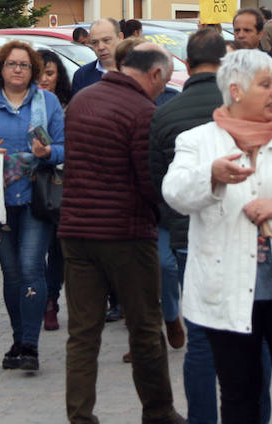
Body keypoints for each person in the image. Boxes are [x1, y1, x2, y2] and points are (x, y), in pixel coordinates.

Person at [163, 49, 272, 424]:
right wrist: (211, 176)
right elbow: (174, 193)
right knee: (240, 395)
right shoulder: (198, 141)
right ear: (236, 91)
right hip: (226, 292)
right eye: (267, 84)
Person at [59, 43, 185, 424]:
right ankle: (159, 411)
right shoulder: (143, 111)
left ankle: (80, 417)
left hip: (76, 232)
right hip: (126, 235)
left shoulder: (81, 100)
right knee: (145, 327)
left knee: (82, 333)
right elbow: (149, 181)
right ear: (156, 75)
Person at [0, 41, 66, 370]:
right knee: (11, 274)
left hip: (35, 199)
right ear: (0, 69)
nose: (17, 69)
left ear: (33, 71)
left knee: (32, 268)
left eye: (24, 65)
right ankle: (18, 339)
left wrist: (49, 153)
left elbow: (65, 147)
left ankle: (31, 347)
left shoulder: (46, 103)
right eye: (11, 64)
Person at [149, 28, 226, 423]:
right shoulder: (244, 104)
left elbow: (158, 183)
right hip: (240, 239)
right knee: (248, 338)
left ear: (186, 64)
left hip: (185, 236)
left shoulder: (165, 114)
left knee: (200, 342)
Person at [36, 49, 71, 331]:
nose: (44, 79)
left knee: (57, 249)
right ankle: (38, 298)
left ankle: (51, 301)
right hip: (32, 183)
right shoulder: (27, 105)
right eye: (40, 74)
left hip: (61, 185)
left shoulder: (69, 106)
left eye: (50, 73)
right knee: (37, 248)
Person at [72, 18, 122, 95]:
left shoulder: (136, 71)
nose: (101, 47)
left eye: (106, 40)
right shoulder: (82, 76)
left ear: (120, 38)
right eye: (95, 42)